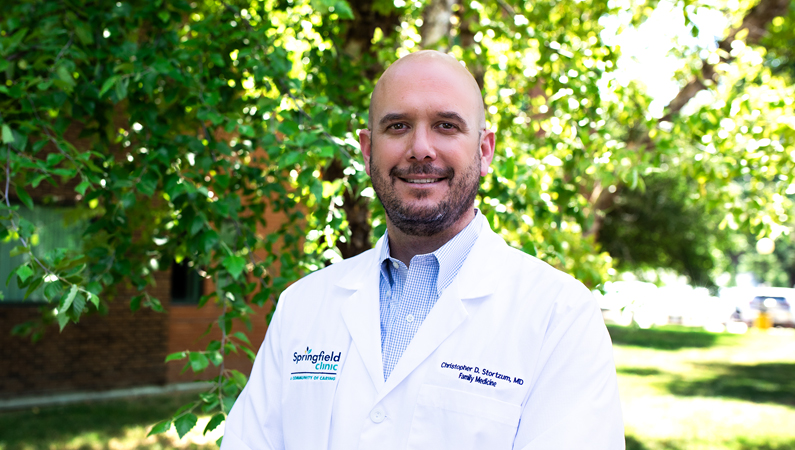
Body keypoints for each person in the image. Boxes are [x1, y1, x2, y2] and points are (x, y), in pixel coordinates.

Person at [221, 50, 624, 450]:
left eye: (446, 126)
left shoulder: (560, 316)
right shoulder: (303, 306)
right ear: (366, 150)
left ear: (485, 151)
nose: (421, 149)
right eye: (397, 126)